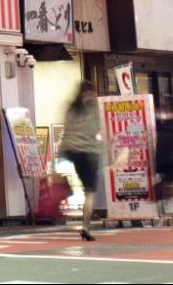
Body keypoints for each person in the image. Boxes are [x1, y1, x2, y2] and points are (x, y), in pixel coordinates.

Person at [61, 80, 104, 242]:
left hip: (73, 152)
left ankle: (69, 190)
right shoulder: (92, 108)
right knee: (90, 192)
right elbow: (97, 130)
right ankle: (85, 227)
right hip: (89, 153)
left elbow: (66, 131)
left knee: (83, 186)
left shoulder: (72, 108)